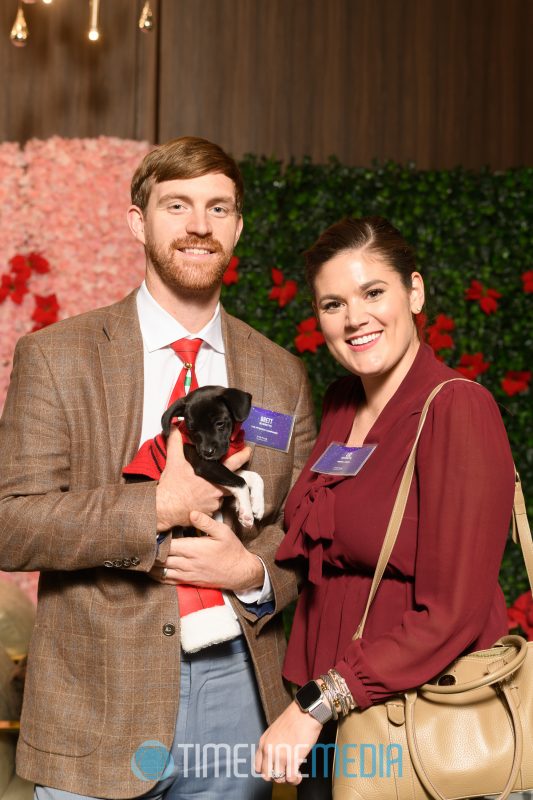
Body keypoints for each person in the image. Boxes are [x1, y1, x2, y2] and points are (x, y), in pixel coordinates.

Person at [0, 136, 316, 800]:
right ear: (138, 221)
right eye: (177, 205)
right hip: (95, 691)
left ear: (236, 227)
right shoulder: (57, 357)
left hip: (237, 691)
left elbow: (306, 529)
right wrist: (156, 509)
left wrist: (254, 573)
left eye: (218, 208)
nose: (199, 225)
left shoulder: (279, 377)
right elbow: (12, 523)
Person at [254, 216, 515, 797]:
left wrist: (320, 702)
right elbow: (318, 545)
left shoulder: (457, 410)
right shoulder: (342, 404)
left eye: (373, 293)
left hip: (417, 722)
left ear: (414, 292)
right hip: (327, 724)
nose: (354, 319)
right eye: (332, 303)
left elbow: (453, 611)